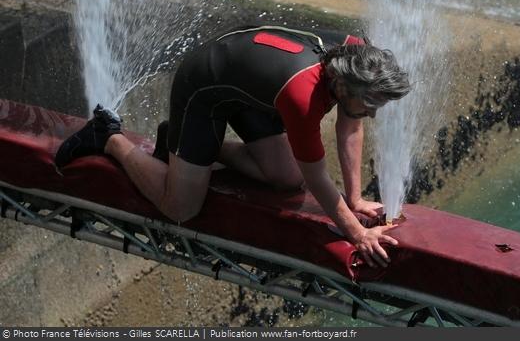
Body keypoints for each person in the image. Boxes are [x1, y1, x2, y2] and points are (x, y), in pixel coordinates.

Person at [55, 25, 411, 268]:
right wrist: (358, 234)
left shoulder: (357, 59)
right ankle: (108, 136)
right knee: (180, 207)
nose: (373, 114)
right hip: (204, 89)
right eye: (370, 104)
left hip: (254, 90)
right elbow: (317, 178)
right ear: (342, 83)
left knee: (286, 180)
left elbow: (351, 126)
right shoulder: (304, 98)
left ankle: (181, 147)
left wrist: (355, 198)